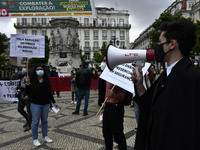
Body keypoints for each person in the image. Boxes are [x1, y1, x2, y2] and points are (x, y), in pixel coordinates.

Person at [131, 18, 200, 150]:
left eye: (160, 42)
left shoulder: (193, 79)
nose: (157, 47)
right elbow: (152, 111)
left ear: (172, 44)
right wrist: (140, 87)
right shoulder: (166, 75)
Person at [25, 64, 58, 147]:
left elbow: (49, 93)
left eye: (41, 69)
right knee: (35, 122)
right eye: (38, 69)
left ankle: (45, 136)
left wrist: (54, 102)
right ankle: (35, 139)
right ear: (35, 71)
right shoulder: (32, 80)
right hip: (35, 104)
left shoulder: (46, 80)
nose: (39, 70)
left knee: (45, 121)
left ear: (43, 71)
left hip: (46, 104)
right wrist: (28, 84)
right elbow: (28, 92)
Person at [102, 81, 127, 150]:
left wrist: (113, 95)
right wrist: (105, 106)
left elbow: (122, 96)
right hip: (108, 106)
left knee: (118, 134)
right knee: (106, 133)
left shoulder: (118, 79)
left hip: (116, 108)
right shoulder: (108, 77)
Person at [16, 64, 32, 132]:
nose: (23, 69)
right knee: (20, 109)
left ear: (28, 69)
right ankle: (28, 119)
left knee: (29, 111)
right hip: (22, 96)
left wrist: (28, 94)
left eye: (25, 68)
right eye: (22, 68)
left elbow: (33, 88)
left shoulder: (31, 77)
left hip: (28, 97)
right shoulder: (22, 76)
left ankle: (29, 124)